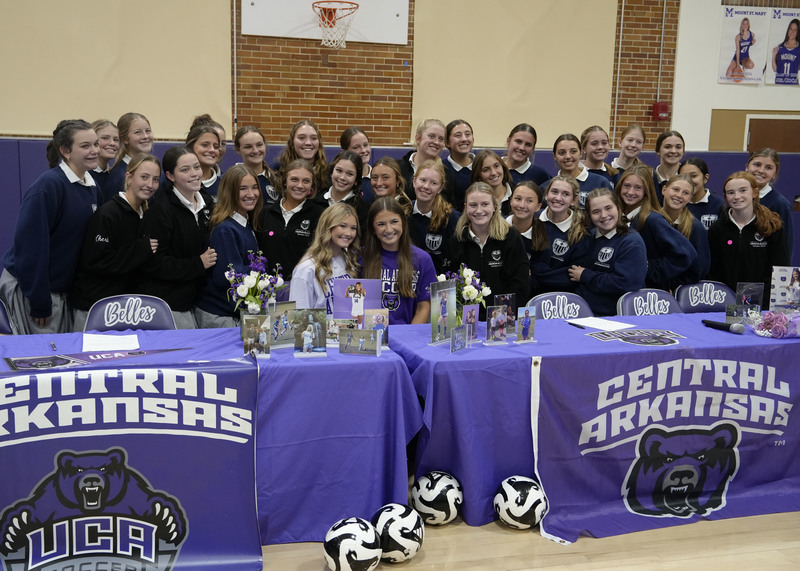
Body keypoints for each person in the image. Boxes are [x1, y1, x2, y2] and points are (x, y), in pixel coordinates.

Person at [0, 119, 100, 334]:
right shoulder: (49, 186)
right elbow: (30, 248)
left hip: (62, 292)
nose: (94, 151)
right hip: (36, 291)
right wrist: (39, 301)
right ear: (65, 151)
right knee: (43, 358)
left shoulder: (91, 186)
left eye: (95, 144)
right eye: (85, 146)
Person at [70, 154, 161, 331]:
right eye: (144, 177)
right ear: (129, 178)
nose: (150, 185)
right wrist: (141, 249)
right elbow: (96, 261)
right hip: (94, 308)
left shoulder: (148, 215)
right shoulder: (108, 214)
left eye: (155, 179)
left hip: (127, 309)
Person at [138, 145, 217, 329]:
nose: (194, 173)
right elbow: (154, 264)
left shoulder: (208, 203)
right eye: (185, 170)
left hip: (199, 301)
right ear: (170, 176)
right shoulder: (161, 212)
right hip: (169, 304)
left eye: (196, 167)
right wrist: (197, 263)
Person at [194, 165, 263, 328]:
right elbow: (228, 276)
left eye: (254, 188)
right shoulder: (225, 229)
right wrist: (259, 268)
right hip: (219, 316)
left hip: (233, 313)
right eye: (243, 189)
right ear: (230, 192)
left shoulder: (245, 223)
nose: (251, 194)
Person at [448, 182, 530, 319]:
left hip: (503, 318)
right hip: (467, 319)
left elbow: (520, 284)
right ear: (466, 207)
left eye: (485, 204)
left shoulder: (510, 237)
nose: (479, 211)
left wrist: (502, 315)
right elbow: (450, 285)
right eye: (473, 205)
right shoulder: (457, 240)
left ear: (494, 206)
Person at [708, 171, 789, 308]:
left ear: (754, 193)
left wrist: (763, 305)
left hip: (763, 306)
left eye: (743, 190)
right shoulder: (717, 229)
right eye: (731, 192)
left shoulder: (772, 226)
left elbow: (779, 269)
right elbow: (714, 272)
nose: (737, 197)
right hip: (726, 304)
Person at [616, 164, 696, 291]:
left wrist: (651, 268)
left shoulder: (653, 219)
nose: (630, 192)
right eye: (627, 186)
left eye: (638, 188)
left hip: (648, 294)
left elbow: (686, 253)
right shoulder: (617, 217)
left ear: (646, 191)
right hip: (622, 289)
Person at [569, 188, 647, 316]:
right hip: (582, 311)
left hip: (614, 316)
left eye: (608, 208)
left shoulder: (632, 241)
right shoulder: (590, 236)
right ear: (589, 215)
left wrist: (586, 275)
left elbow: (627, 283)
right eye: (596, 211)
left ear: (618, 207)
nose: (604, 215)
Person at [258, 159, 325, 300]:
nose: (300, 185)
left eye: (306, 181)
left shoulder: (319, 214)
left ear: (312, 185)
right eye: (294, 179)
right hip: (265, 290)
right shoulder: (265, 213)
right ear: (284, 182)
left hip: (302, 291)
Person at [363, 197, 437, 325]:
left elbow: (423, 307)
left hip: (407, 336)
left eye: (394, 222)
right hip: (371, 337)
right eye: (381, 224)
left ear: (403, 223)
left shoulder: (422, 259)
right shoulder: (361, 257)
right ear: (373, 229)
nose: (389, 229)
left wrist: (409, 338)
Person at [291, 203, 361, 314]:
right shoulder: (306, 269)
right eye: (342, 226)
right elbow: (299, 318)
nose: (348, 233)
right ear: (328, 227)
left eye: (353, 228)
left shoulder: (348, 260)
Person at [534, 176, 588, 294]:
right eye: (554, 192)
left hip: (562, 297)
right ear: (546, 194)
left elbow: (570, 276)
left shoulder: (581, 231)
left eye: (565, 194)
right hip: (529, 293)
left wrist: (534, 271)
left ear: (574, 200)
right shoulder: (532, 219)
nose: (558, 198)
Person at [408, 158, 460, 274]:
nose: (426, 186)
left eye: (433, 183)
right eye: (423, 180)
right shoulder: (403, 212)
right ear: (414, 181)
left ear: (440, 188)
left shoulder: (451, 218)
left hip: (440, 284)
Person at [660, 173, 710, 288]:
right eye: (675, 189)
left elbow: (701, 268)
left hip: (682, 292)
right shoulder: (651, 221)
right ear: (664, 190)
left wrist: (676, 287)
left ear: (690, 198)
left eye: (685, 193)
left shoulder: (696, 227)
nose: (679, 195)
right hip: (653, 290)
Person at [745, 148, 793, 258]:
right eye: (757, 164)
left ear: (774, 174)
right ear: (747, 166)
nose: (761, 171)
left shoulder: (780, 204)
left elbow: (787, 245)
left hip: (765, 270)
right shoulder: (736, 198)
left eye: (768, 168)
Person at [506, 181, 550, 295]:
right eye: (518, 199)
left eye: (529, 201)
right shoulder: (496, 228)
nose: (522, 205)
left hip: (527, 297)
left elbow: (539, 278)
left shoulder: (543, 234)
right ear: (510, 200)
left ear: (538, 206)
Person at [398, 119, 456, 205]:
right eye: (431, 136)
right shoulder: (397, 168)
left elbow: (449, 208)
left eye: (441, 139)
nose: (436, 142)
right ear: (418, 139)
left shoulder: (446, 175)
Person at [548, 134, 613, 209]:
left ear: (581, 153)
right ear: (554, 156)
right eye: (562, 153)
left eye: (573, 151)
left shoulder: (600, 183)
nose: (568, 156)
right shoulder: (548, 187)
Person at [103, 112, 154, 202]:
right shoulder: (119, 177)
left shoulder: (153, 168)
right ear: (125, 139)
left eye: (148, 131)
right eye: (138, 132)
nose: (145, 136)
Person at [316, 150, 368, 225]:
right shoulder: (315, 202)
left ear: (356, 180)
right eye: (339, 170)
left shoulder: (363, 210)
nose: (342, 177)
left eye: (350, 174)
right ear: (331, 172)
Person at [234, 125, 282, 205]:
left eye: (259, 145)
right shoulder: (232, 180)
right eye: (248, 147)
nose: (255, 150)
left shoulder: (277, 179)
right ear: (238, 149)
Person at [277, 119, 328, 191]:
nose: (308, 143)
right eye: (301, 138)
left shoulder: (328, 172)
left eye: (313, 138)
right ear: (292, 142)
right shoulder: (278, 169)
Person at [679, 157, 723, 231]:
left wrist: (729, 243)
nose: (689, 181)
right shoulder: (677, 204)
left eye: (693, 176)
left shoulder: (719, 204)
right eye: (684, 177)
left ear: (705, 178)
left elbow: (727, 239)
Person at [472, 150, 515, 216]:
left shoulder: (516, 193)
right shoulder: (473, 200)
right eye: (486, 170)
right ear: (478, 176)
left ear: (503, 167)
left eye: (496, 166)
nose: (493, 173)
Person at [186, 123, 222, 198]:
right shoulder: (177, 183)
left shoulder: (225, 186)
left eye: (216, 147)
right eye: (205, 145)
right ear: (190, 147)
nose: (212, 150)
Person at [444, 119, 475, 208]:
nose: (464, 139)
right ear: (447, 143)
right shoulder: (440, 169)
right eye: (458, 135)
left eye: (468, 134)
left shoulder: (481, 167)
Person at [340, 127, 373, 202]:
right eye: (356, 147)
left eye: (365, 145)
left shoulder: (377, 178)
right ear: (344, 152)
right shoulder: (340, 181)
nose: (363, 151)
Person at [652, 130, 686, 203]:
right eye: (667, 147)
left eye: (678, 147)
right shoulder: (649, 179)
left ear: (683, 151)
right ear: (658, 150)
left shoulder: (688, 179)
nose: (673, 151)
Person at [91, 119, 119, 191]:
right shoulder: (84, 176)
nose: (112, 143)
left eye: (116, 139)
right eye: (105, 138)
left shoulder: (114, 176)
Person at [772, 18, 800, 84]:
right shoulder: (780, 47)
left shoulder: (799, 49)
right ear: (788, 30)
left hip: (792, 84)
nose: (792, 32)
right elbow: (775, 69)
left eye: (795, 30)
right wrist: (773, 56)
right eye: (791, 29)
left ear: (798, 32)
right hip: (779, 83)